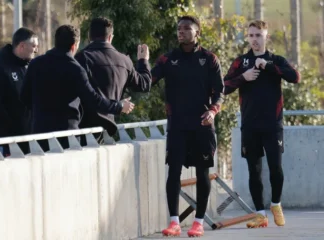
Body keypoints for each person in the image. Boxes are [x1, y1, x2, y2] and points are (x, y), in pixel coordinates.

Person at [151, 15, 224, 237]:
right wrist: (142, 62)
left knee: (203, 174)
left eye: (186, 28)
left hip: (202, 126)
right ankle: (174, 222)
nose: (181, 32)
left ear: (197, 32)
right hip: (177, 126)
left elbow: (220, 92)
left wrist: (212, 111)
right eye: (179, 29)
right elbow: (147, 80)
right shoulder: (167, 59)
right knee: (173, 173)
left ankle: (198, 222)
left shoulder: (209, 59)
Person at [224, 20, 300, 228]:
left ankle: (276, 204)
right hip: (249, 126)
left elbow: (295, 77)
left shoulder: (276, 60)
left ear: (266, 36)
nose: (255, 39)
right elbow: (224, 86)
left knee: (276, 168)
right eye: (251, 35)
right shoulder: (241, 63)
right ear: (247, 37)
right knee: (253, 171)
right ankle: (260, 214)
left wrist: (267, 66)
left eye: (259, 35)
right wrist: (243, 77)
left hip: (272, 125)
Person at [20, 25, 134, 151]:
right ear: (74, 46)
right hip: (67, 137)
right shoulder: (76, 69)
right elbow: (94, 101)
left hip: (39, 134)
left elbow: (24, 97)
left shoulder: (36, 64)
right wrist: (119, 106)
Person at [75, 17, 151, 145]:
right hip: (108, 129)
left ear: (89, 36)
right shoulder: (125, 61)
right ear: (110, 37)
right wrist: (143, 61)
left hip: (82, 131)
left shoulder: (82, 58)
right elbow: (144, 84)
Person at [0, 27, 39, 156]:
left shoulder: (30, 68)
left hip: (30, 139)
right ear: (22, 46)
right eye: (34, 46)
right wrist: (12, 127)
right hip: (7, 141)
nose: (36, 50)